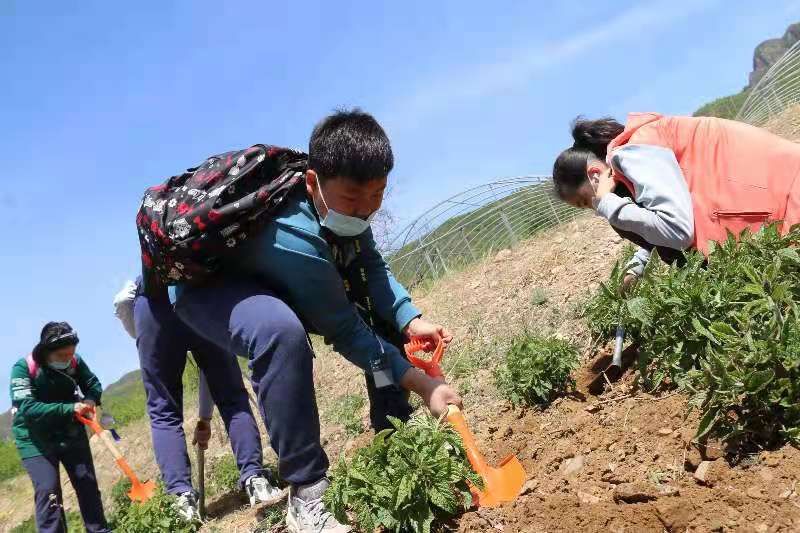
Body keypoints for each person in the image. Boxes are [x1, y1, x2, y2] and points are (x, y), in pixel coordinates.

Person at [165, 109, 460, 533]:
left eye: (377, 195)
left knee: (375, 319)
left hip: (270, 275)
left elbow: (371, 268)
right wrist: (424, 383)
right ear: (312, 182)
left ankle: (394, 432)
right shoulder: (296, 236)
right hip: (207, 290)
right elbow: (344, 330)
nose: (365, 211)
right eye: (353, 200)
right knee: (278, 330)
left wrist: (409, 319)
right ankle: (307, 495)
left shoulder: (343, 210)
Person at [552, 112, 800, 291]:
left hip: (788, 199)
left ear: (595, 175)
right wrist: (637, 265)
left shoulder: (632, 154)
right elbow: (658, 213)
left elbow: (676, 230)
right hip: (783, 187)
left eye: (587, 201)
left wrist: (608, 204)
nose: (595, 209)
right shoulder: (637, 146)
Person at [112, 279, 283, 521]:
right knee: (232, 396)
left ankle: (182, 501)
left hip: (152, 307)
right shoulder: (191, 266)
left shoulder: (138, 286)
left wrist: (204, 418)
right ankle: (256, 480)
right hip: (199, 292)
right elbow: (214, 377)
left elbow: (121, 302)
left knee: (163, 410)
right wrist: (204, 417)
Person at [9, 322, 111, 533]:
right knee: (48, 491)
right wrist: (70, 407)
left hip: (71, 431)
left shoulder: (75, 362)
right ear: (47, 352)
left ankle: (99, 530)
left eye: (71, 354)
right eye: (62, 356)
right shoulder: (23, 368)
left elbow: (92, 384)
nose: (67, 359)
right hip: (34, 438)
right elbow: (27, 407)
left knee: (87, 484)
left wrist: (91, 400)